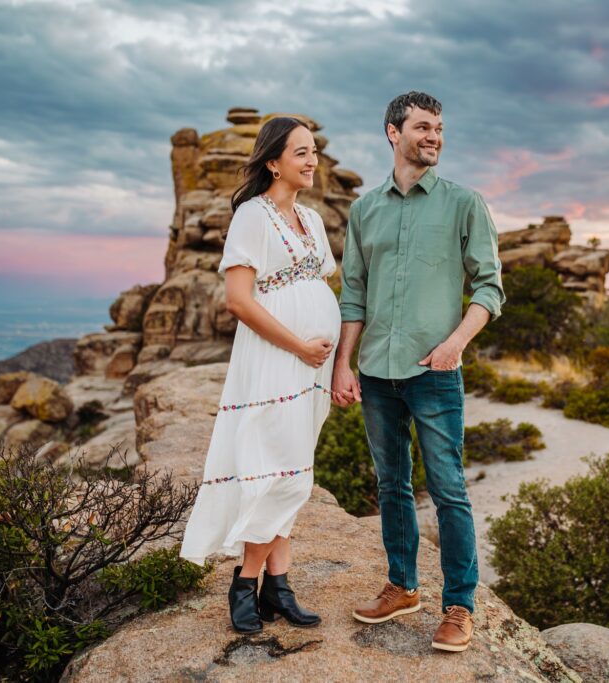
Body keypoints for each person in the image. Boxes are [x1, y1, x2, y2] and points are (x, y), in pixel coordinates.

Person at [332, 91, 505, 652]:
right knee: (391, 486)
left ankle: (459, 606)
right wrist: (344, 364)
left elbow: (490, 288)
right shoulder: (365, 210)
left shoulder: (464, 204)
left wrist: (456, 343)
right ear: (393, 132)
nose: (434, 137)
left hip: (435, 372)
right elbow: (353, 293)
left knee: (449, 491)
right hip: (377, 372)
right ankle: (402, 586)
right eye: (423, 127)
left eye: (439, 129)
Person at [179, 116, 339, 634]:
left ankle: (278, 585)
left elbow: (320, 288)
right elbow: (238, 301)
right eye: (300, 153)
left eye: (313, 151)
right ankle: (246, 583)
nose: (312, 160)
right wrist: (298, 345)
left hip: (312, 366)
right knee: (282, 471)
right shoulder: (252, 215)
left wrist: (334, 359)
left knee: (291, 468)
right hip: (276, 358)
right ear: (273, 161)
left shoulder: (312, 222)